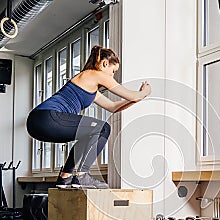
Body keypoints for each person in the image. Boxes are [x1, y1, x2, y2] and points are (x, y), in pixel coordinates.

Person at [26, 45, 151, 189]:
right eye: (113, 71)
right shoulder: (95, 74)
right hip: (48, 117)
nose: (112, 76)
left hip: (37, 122)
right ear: (105, 63)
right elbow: (131, 94)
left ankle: (65, 177)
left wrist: (139, 97)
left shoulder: (89, 84)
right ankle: (81, 175)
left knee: (91, 132)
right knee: (103, 128)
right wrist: (145, 92)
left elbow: (113, 107)